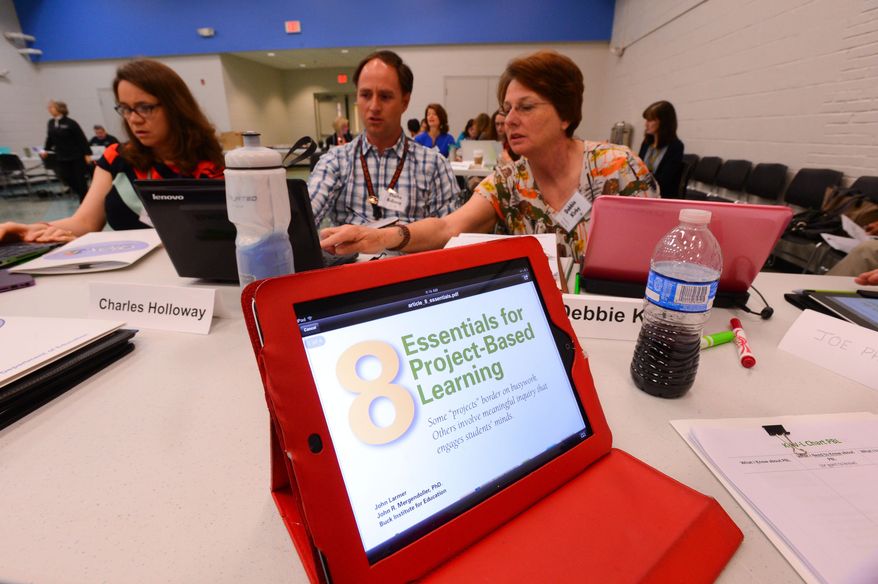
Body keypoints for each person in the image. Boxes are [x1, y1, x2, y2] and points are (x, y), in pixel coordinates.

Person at [320, 50, 658, 262]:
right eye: (507, 108)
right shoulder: (509, 183)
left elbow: (653, 259)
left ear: (566, 114)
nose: (509, 119)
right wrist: (380, 237)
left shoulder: (614, 168)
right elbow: (447, 227)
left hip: (611, 319)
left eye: (526, 107)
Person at [0, 59, 224, 243]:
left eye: (145, 108)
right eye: (125, 109)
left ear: (176, 107)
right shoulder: (116, 157)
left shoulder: (211, 167)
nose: (134, 119)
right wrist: (24, 230)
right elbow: (85, 223)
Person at [307, 50, 459, 227]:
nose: (374, 106)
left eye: (385, 97)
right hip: (350, 254)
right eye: (365, 95)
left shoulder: (434, 166)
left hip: (411, 253)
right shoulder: (335, 162)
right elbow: (304, 220)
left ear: (405, 101)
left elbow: (450, 234)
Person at [42, 100, 91, 201]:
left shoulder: (70, 123)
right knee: (65, 178)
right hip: (61, 156)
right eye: (49, 107)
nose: (49, 109)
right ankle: (86, 195)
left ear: (60, 109)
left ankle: (84, 201)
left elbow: (81, 138)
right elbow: (50, 138)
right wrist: (45, 149)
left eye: (52, 107)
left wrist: (87, 154)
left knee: (80, 180)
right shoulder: (50, 123)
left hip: (76, 156)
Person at [638, 100, 684, 198]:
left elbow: (665, 181)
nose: (646, 124)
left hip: (660, 197)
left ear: (664, 122)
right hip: (643, 192)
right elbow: (637, 168)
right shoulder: (646, 143)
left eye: (650, 120)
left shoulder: (676, 146)